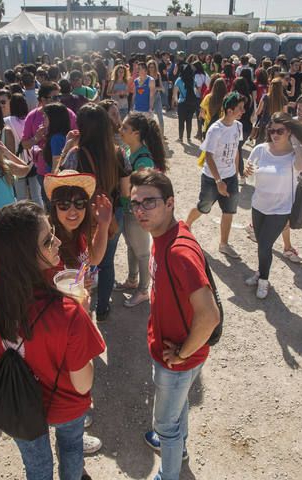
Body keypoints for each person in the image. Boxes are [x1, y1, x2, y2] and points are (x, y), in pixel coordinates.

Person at [0, 201, 106, 480]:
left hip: (17, 400)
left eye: (52, 231)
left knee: (38, 467)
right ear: (22, 256)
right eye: (46, 241)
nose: (57, 241)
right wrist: (84, 312)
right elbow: (83, 383)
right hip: (65, 403)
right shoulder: (69, 314)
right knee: (70, 450)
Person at [128, 169, 220, 480]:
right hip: (175, 350)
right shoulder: (163, 233)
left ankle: (169, 474)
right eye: (135, 203)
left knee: (165, 424)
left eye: (149, 202)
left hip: (177, 358)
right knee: (177, 411)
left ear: (170, 203)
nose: (140, 210)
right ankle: (178, 450)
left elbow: (209, 315)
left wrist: (181, 355)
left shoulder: (179, 250)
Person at [58, 104, 130, 322]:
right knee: (106, 262)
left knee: (80, 261)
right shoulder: (119, 154)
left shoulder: (75, 154)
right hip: (110, 214)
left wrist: (67, 145)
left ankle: (83, 305)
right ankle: (103, 307)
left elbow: (59, 183)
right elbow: (126, 190)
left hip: (79, 216)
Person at [243, 113, 302, 298]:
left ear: (288, 131)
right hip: (258, 205)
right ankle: (261, 271)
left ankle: (264, 280)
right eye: (272, 131)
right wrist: (246, 171)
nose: (275, 134)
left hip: (280, 210)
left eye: (280, 130)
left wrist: (295, 142)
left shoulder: (293, 155)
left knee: (264, 245)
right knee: (261, 245)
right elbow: (249, 177)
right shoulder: (260, 149)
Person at [185, 93, 245, 259]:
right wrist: (218, 181)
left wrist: (237, 172)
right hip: (212, 178)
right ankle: (186, 225)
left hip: (230, 177)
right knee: (204, 207)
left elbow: (236, 150)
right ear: (230, 110)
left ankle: (224, 244)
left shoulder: (238, 126)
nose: (243, 111)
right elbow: (209, 155)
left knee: (229, 210)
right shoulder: (215, 130)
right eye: (240, 108)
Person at [116, 113, 166, 308]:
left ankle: (144, 290)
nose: (120, 130)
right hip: (130, 210)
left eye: (125, 128)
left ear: (136, 133)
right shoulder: (131, 151)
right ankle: (132, 280)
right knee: (132, 246)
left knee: (142, 252)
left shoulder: (143, 158)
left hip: (137, 211)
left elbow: (141, 191)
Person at [173, 64, 199, 143]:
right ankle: (188, 138)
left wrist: (176, 102)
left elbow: (175, 93)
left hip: (182, 103)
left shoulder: (179, 80)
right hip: (191, 103)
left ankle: (180, 138)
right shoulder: (192, 80)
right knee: (189, 121)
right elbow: (196, 91)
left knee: (181, 121)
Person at [147, 60, 165, 135]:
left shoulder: (158, 75)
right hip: (148, 98)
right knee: (148, 117)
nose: (151, 69)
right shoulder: (146, 76)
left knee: (160, 116)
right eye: (150, 67)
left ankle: (162, 134)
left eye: (153, 67)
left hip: (157, 97)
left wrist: (154, 88)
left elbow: (162, 88)